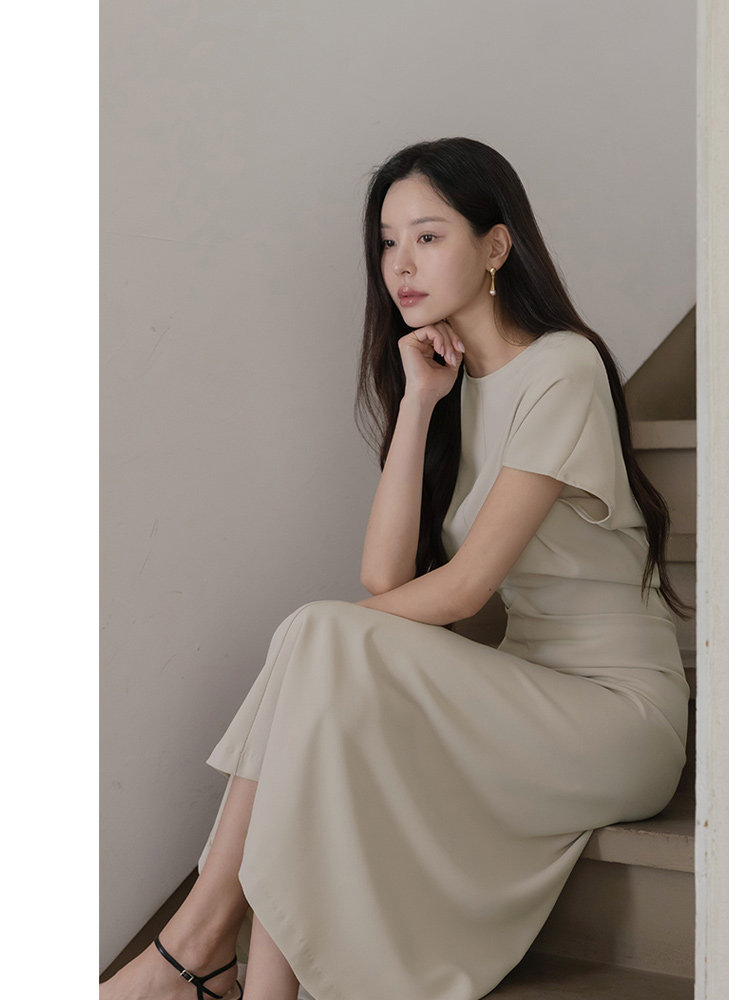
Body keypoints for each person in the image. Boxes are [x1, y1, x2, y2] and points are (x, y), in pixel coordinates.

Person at [100, 136, 692, 1000]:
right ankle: (233, 973)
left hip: (615, 716)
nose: (401, 265)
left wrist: (313, 647)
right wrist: (418, 403)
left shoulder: (563, 368)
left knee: (318, 643)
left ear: (496, 247)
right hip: (523, 692)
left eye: (428, 236)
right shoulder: (453, 382)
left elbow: (465, 588)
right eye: (387, 242)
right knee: (324, 684)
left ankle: (192, 949)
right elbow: (385, 576)